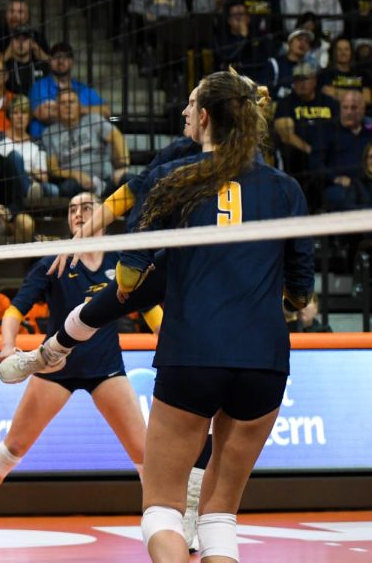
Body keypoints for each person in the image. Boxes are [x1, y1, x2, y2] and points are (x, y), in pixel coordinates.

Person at [108, 71, 312, 563]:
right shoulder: (286, 189)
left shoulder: (174, 181)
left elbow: (129, 276)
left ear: (202, 118)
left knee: (162, 508)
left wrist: (134, 282)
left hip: (192, 354)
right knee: (220, 516)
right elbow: (301, 293)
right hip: (263, 361)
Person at [0, 192, 147, 554]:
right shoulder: (55, 262)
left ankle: (172, 522)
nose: (79, 214)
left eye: (87, 207)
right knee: (11, 449)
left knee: (145, 454)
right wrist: (6, 346)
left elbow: (152, 309)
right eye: (72, 209)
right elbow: (15, 310)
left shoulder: (121, 260)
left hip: (106, 368)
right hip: (56, 366)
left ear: (103, 214)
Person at [45, 88, 131, 197]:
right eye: (63, 103)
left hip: (105, 179)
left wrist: (123, 167)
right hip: (76, 183)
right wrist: (76, 175)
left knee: (129, 180)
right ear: (57, 108)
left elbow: (117, 136)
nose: (67, 106)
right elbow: (53, 169)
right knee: (67, 188)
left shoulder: (93, 120)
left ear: (80, 106)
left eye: (71, 102)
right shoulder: (50, 133)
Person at [28, 42, 107, 137]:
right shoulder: (39, 86)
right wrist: (81, 112)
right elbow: (43, 114)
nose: (60, 61)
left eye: (65, 57)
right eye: (56, 57)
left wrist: (75, 109)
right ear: (50, 61)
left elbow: (105, 111)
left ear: (72, 62)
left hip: (79, 142)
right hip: (43, 142)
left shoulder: (81, 88)